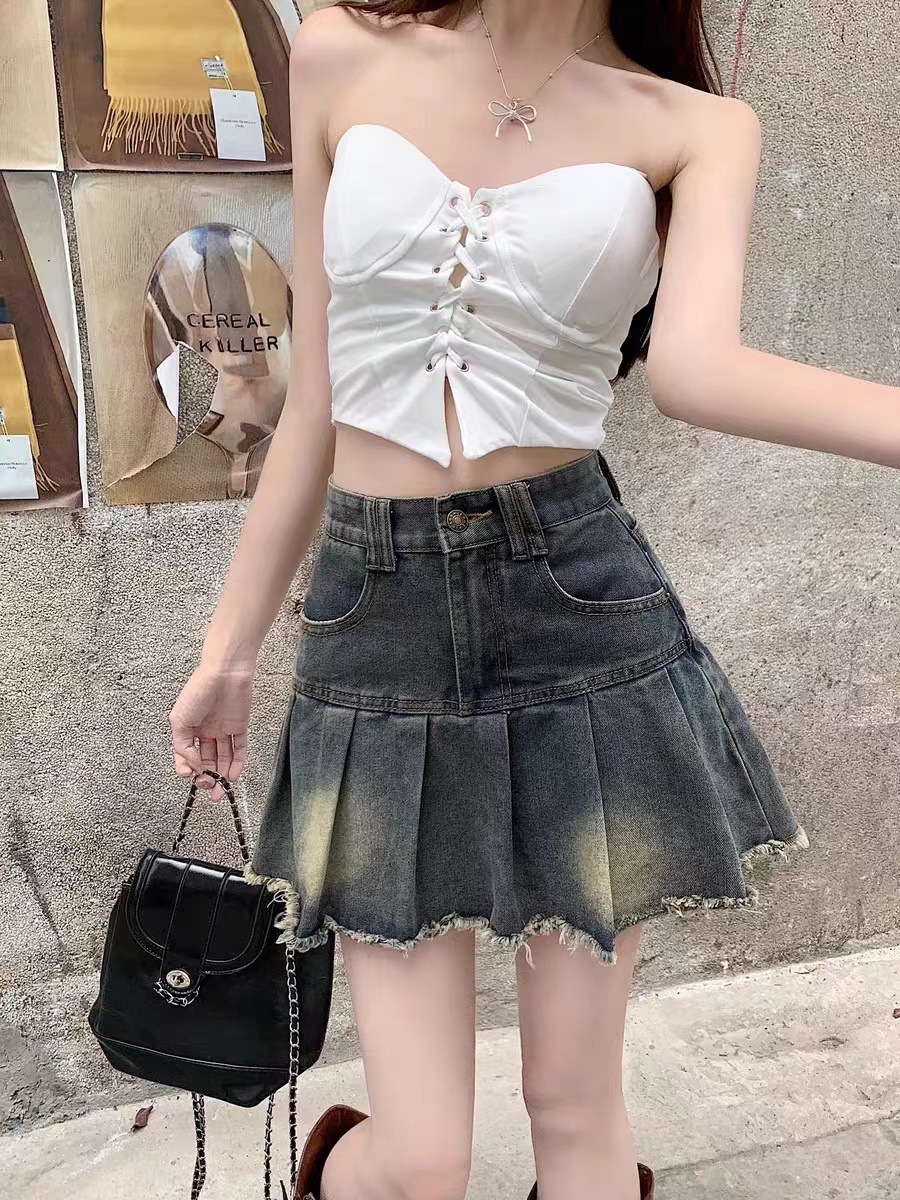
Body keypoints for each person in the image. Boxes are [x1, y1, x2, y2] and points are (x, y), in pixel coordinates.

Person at [168, 3, 899, 1198]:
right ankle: (339, 1165)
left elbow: (697, 370)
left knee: (571, 1105)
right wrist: (230, 648)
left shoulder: (698, 126)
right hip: (376, 621)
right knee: (425, 1164)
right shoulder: (341, 51)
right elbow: (317, 397)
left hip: (579, 608)